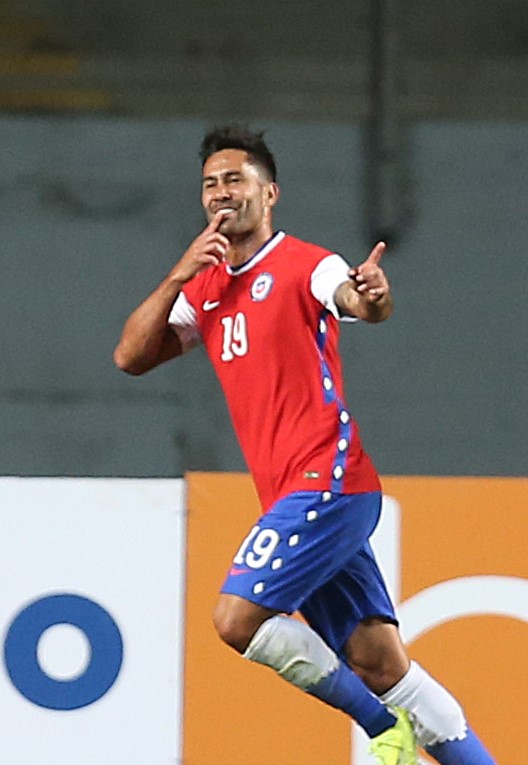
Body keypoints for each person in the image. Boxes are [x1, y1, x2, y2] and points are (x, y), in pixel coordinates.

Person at [113, 125, 496, 765]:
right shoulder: (205, 290)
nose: (220, 194)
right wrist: (179, 275)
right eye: (210, 184)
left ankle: (380, 729)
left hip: (329, 481)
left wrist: (371, 294)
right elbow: (130, 356)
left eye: (235, 180)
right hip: (293, 495)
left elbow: (353, 298)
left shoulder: (304, 264)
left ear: (271, 194)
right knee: (382, 663)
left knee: (236, 620)